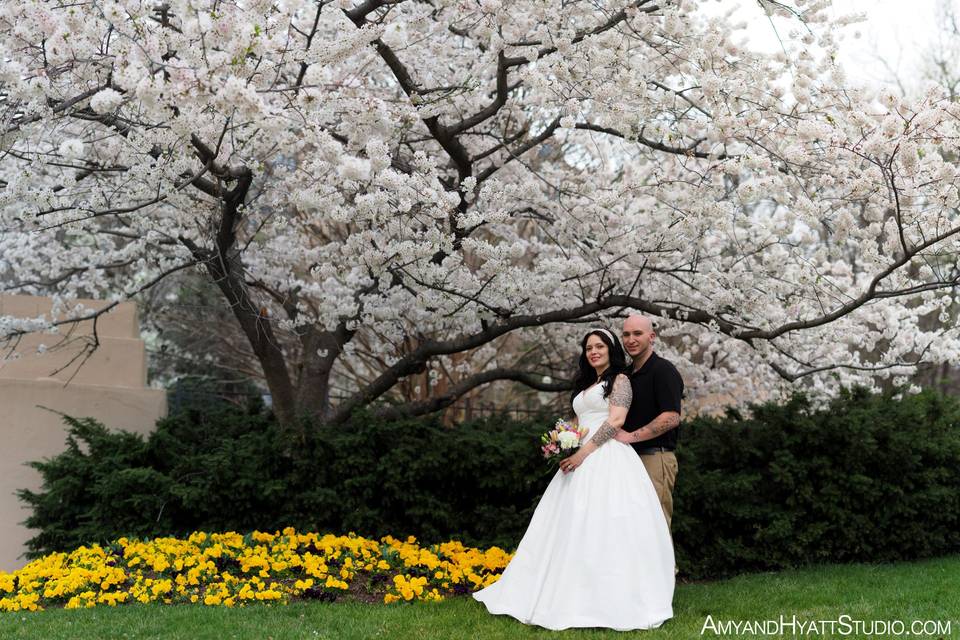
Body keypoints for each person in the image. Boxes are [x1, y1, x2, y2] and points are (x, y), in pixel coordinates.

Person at [473, 328, 675, 631]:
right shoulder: (587, 383)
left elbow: (616, 420)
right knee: (568, 526)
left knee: (605, 526)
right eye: (589, 347)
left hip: (606, 457)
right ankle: (564, 592)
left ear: (611, 350)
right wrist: (562, 438)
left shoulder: (619, 380)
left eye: (599, 346)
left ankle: (608, 599)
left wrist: (583, 454)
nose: (593, 352)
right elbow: (581, 420)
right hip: (579, 456)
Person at [615, 314, 684, 529]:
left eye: (637, 333)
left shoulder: (663, 370)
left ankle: (667, 565)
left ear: (651, 336)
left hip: (654, 457)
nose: (631, 340)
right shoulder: (625, 374)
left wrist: (630, 437)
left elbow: (671, 417)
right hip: (627, 460)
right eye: (626, 334)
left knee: (656, 527)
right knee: (632, 529)